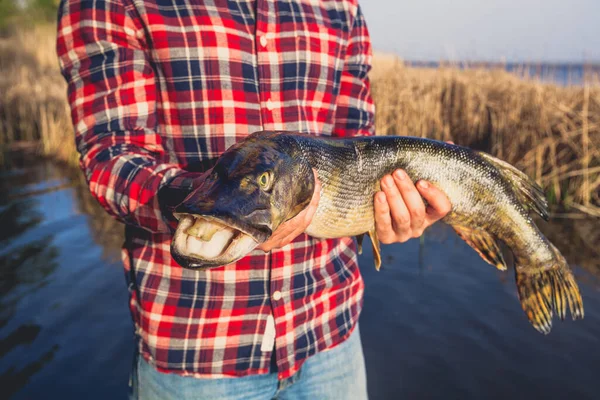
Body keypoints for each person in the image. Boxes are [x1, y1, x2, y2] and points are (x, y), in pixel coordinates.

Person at [56, 0, 451, 398]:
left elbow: (357, 144)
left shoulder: (340, 6)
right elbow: (111, 154)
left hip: (331, 331)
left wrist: (387, 211)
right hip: (197, 351)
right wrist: (208, 204)